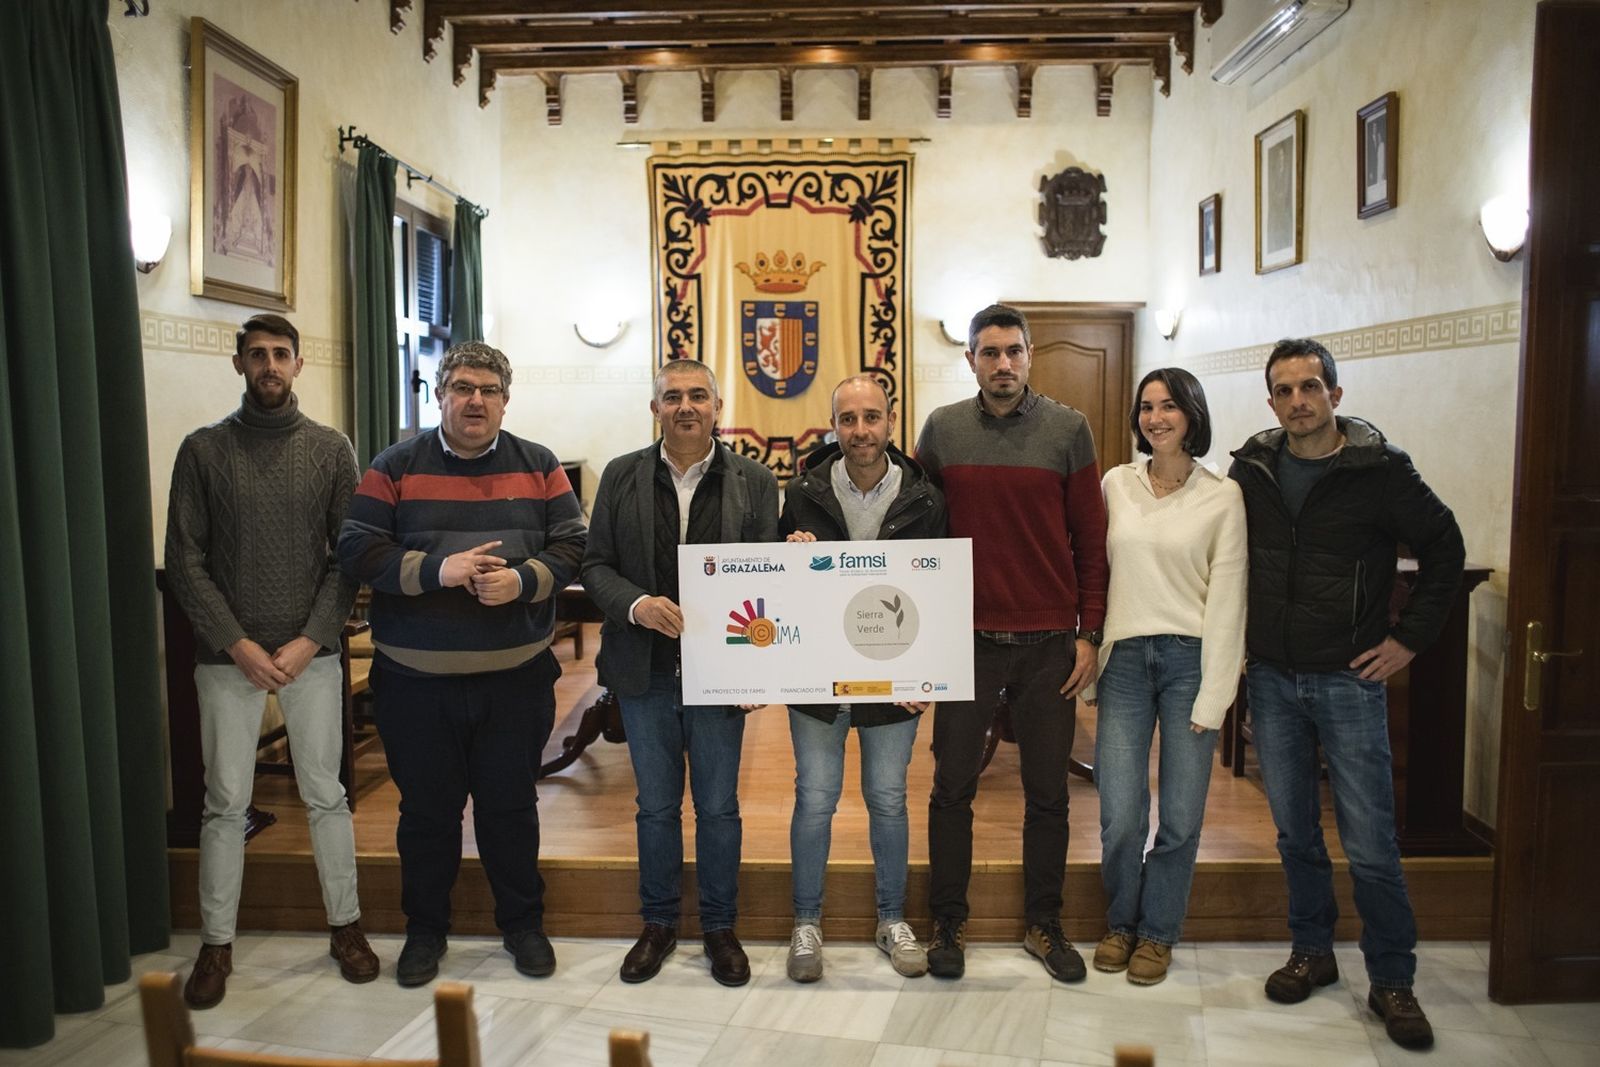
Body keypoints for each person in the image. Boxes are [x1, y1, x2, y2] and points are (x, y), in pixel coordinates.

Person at [1230, 338, 1464, 1050]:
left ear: (1335, 393)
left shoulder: (1381, 469)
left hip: (1349, 679)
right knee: (1295, 831)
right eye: (1284, 390)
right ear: (1271, 401)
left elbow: (1445, 547)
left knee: (1369, 840)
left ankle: (1392, 977)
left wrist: (1409, 640)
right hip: (1272, 677)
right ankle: (1313, 950)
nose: (1298, 400)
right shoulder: (1252, 469)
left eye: (1310, 387)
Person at [338, 341, 587, 987]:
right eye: (462, 387)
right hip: (415, 685)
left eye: (489, 390)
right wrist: (437, 571)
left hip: (515, 681)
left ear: (506, 400)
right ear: (440, 394)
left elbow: (574, 546)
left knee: (511, 809)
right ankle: (425, 932)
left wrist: (525, 581)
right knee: (426, 815)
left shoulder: (540, 465)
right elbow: (356, 548)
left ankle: (523, 925)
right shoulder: (394, 465)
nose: (476, 400)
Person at [165, 313, 377, 1008]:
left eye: (281, 353)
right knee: (225, 803)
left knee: (327, 796)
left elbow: (348, 558)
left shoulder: (331, 449)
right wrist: (239, 644)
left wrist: (310, 638)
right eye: (256, 354)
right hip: (229, 658)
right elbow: (184, 560)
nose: (269, 365)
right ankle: (215, 944)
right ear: (239, 364)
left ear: (297, 364)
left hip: (310, 654)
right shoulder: (202, 450)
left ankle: (345, 927)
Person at [914, 303, 1109, 982]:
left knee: (1048, 793)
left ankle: (1043, 923)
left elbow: (1091, 540)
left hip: (1050, 644)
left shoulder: (1068, 429)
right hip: (965, 640)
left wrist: (1089, 633)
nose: (1003, 364)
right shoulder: (941, 430)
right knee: (951, 787)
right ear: (970, 359)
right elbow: (918, 531)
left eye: (1014, 351)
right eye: (990, 352)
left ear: (1030, 356)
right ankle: (947, 921)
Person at [581, 359, 779, 987]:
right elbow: (595, 564)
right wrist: (637, 604)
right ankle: (659, 923)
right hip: (645, 671)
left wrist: (759, 671)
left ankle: (720, 927)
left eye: (698, 396)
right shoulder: (622, 475)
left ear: (718, 408)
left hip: (721, 672)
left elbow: (771, 580)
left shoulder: (754, 480)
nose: (685, 406)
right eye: (672, 397)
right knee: (656, 807)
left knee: (718, 807)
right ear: (655, 409)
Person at [778, 375, 947, 983]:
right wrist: (790, 553)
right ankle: (806, 923)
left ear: (891, 422)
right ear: (833, 426)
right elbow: (781, 585)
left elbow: (940, 592)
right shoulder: (802, 492)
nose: (860, 431)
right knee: (815, 799)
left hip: (893, 681)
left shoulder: (926, 498)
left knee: (888, 799)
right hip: (817, 680)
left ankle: (891, 919)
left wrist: (928, 675)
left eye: (871, 417)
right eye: (847, 419)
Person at [1089, 368, 1246, 986]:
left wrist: (1216, 694)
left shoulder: (1222, 497)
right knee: (1121, 814)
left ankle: (1158, 933)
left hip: (1190, 663)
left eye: (1170, 406)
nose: (1156, 418)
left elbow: (1229, 599)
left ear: (1192, 415)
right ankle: (1120, 923)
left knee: (1180, 815)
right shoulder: (1115, 485)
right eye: (1147, 407)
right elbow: (1094, 572)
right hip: (1125, 661)